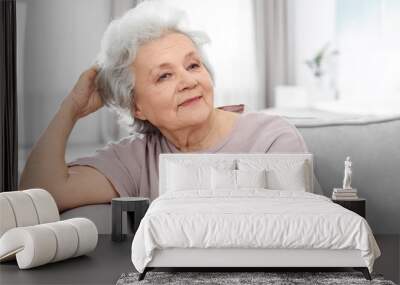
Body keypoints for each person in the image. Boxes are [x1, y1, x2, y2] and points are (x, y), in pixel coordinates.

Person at [19, 0, 308, 212]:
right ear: (137, 107)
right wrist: (69, 109)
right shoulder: (135, 159)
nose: (187, 81)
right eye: (164, 76)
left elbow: (297, 232)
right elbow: (41, 192)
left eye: (193, 65)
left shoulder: (272, 138)